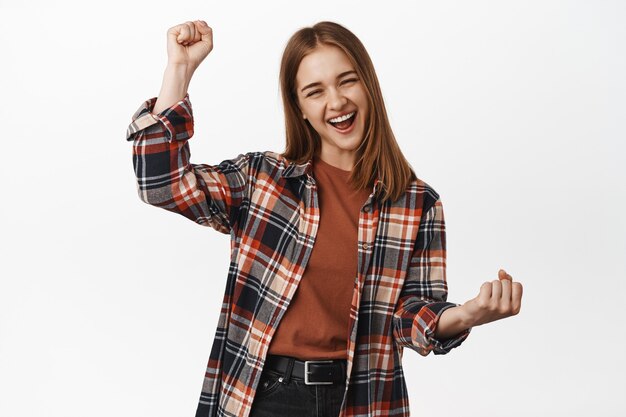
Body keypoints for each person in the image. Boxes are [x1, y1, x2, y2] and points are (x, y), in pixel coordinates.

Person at [125, 20, 523, 417]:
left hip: (363, 399)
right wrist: (179, 70)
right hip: (264, 397)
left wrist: (464, 315)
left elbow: (409, 315)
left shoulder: (417, 204)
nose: (336, 102)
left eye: (346, 81)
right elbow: (162, 184)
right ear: (299, 108)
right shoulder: (262, 181)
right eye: (315, 91)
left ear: (368, 85)